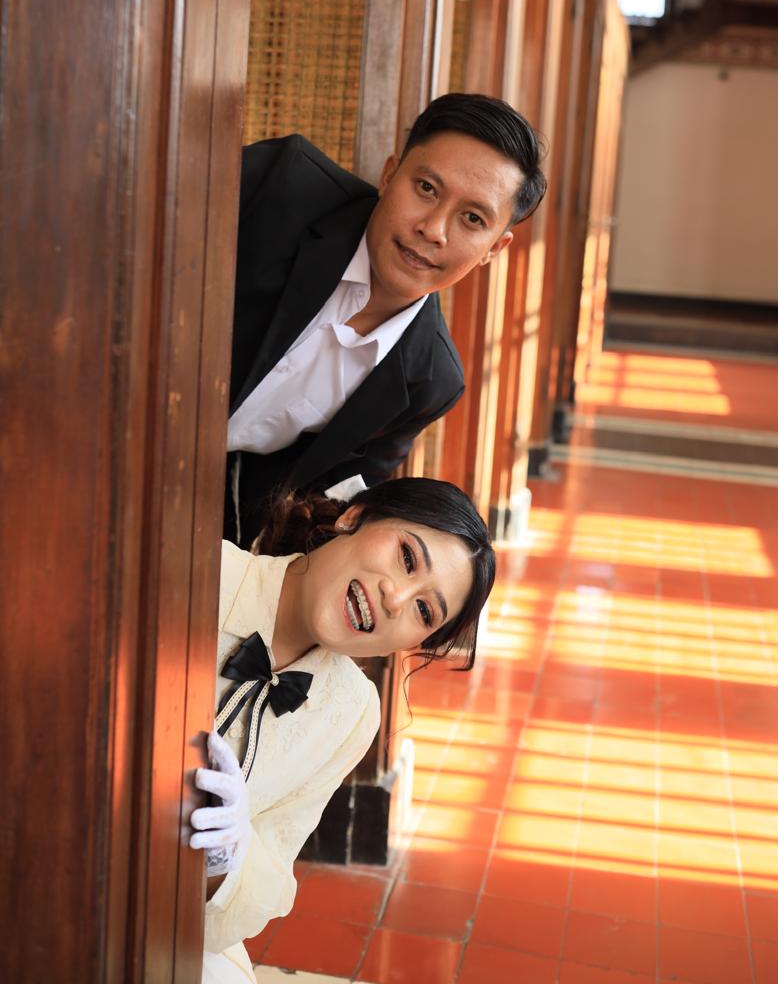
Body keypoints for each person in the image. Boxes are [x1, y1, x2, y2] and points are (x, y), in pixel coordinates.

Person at [191, 476, 496, 983]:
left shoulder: (353, 712)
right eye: (406, 557)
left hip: (178, 924)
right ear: (354, 517)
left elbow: (266, 878)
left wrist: (226, 858)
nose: (397, 598)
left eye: (424, 611)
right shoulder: (200, 570)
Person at [225, 92, 546, 544]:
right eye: (427, 189)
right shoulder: (279, 184)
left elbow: (323, 506)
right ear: (390, 173)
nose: (433, 229)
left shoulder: (430, 381)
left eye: (472, 219)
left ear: (494, 249)